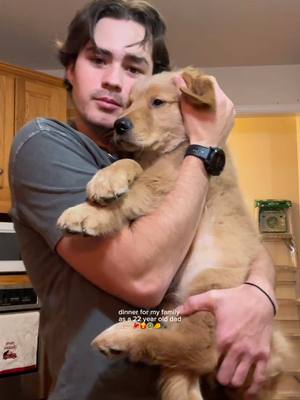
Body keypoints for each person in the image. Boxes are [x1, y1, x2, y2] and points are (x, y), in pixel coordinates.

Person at [8, 0, 277, 399]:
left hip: (194, 372)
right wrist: (203, 147)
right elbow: (145, 281)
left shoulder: (159, 158)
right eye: (99, 59)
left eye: (133, 67)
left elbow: (238, 237)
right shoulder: (44, 143)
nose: (116, 81)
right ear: (70, 69)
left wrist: (260, 296)